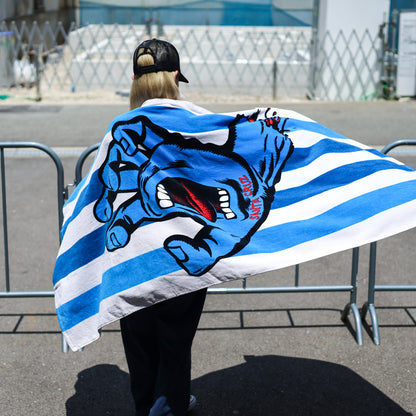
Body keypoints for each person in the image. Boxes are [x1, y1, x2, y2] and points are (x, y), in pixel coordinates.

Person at [119, 38, 208, 416]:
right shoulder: (200, 122)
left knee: (139, 342)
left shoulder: (119, 129)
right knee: (175, 339)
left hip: (132, 257)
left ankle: (146, 406)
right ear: (174, 76)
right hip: (182, 254)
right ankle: (170, 404)